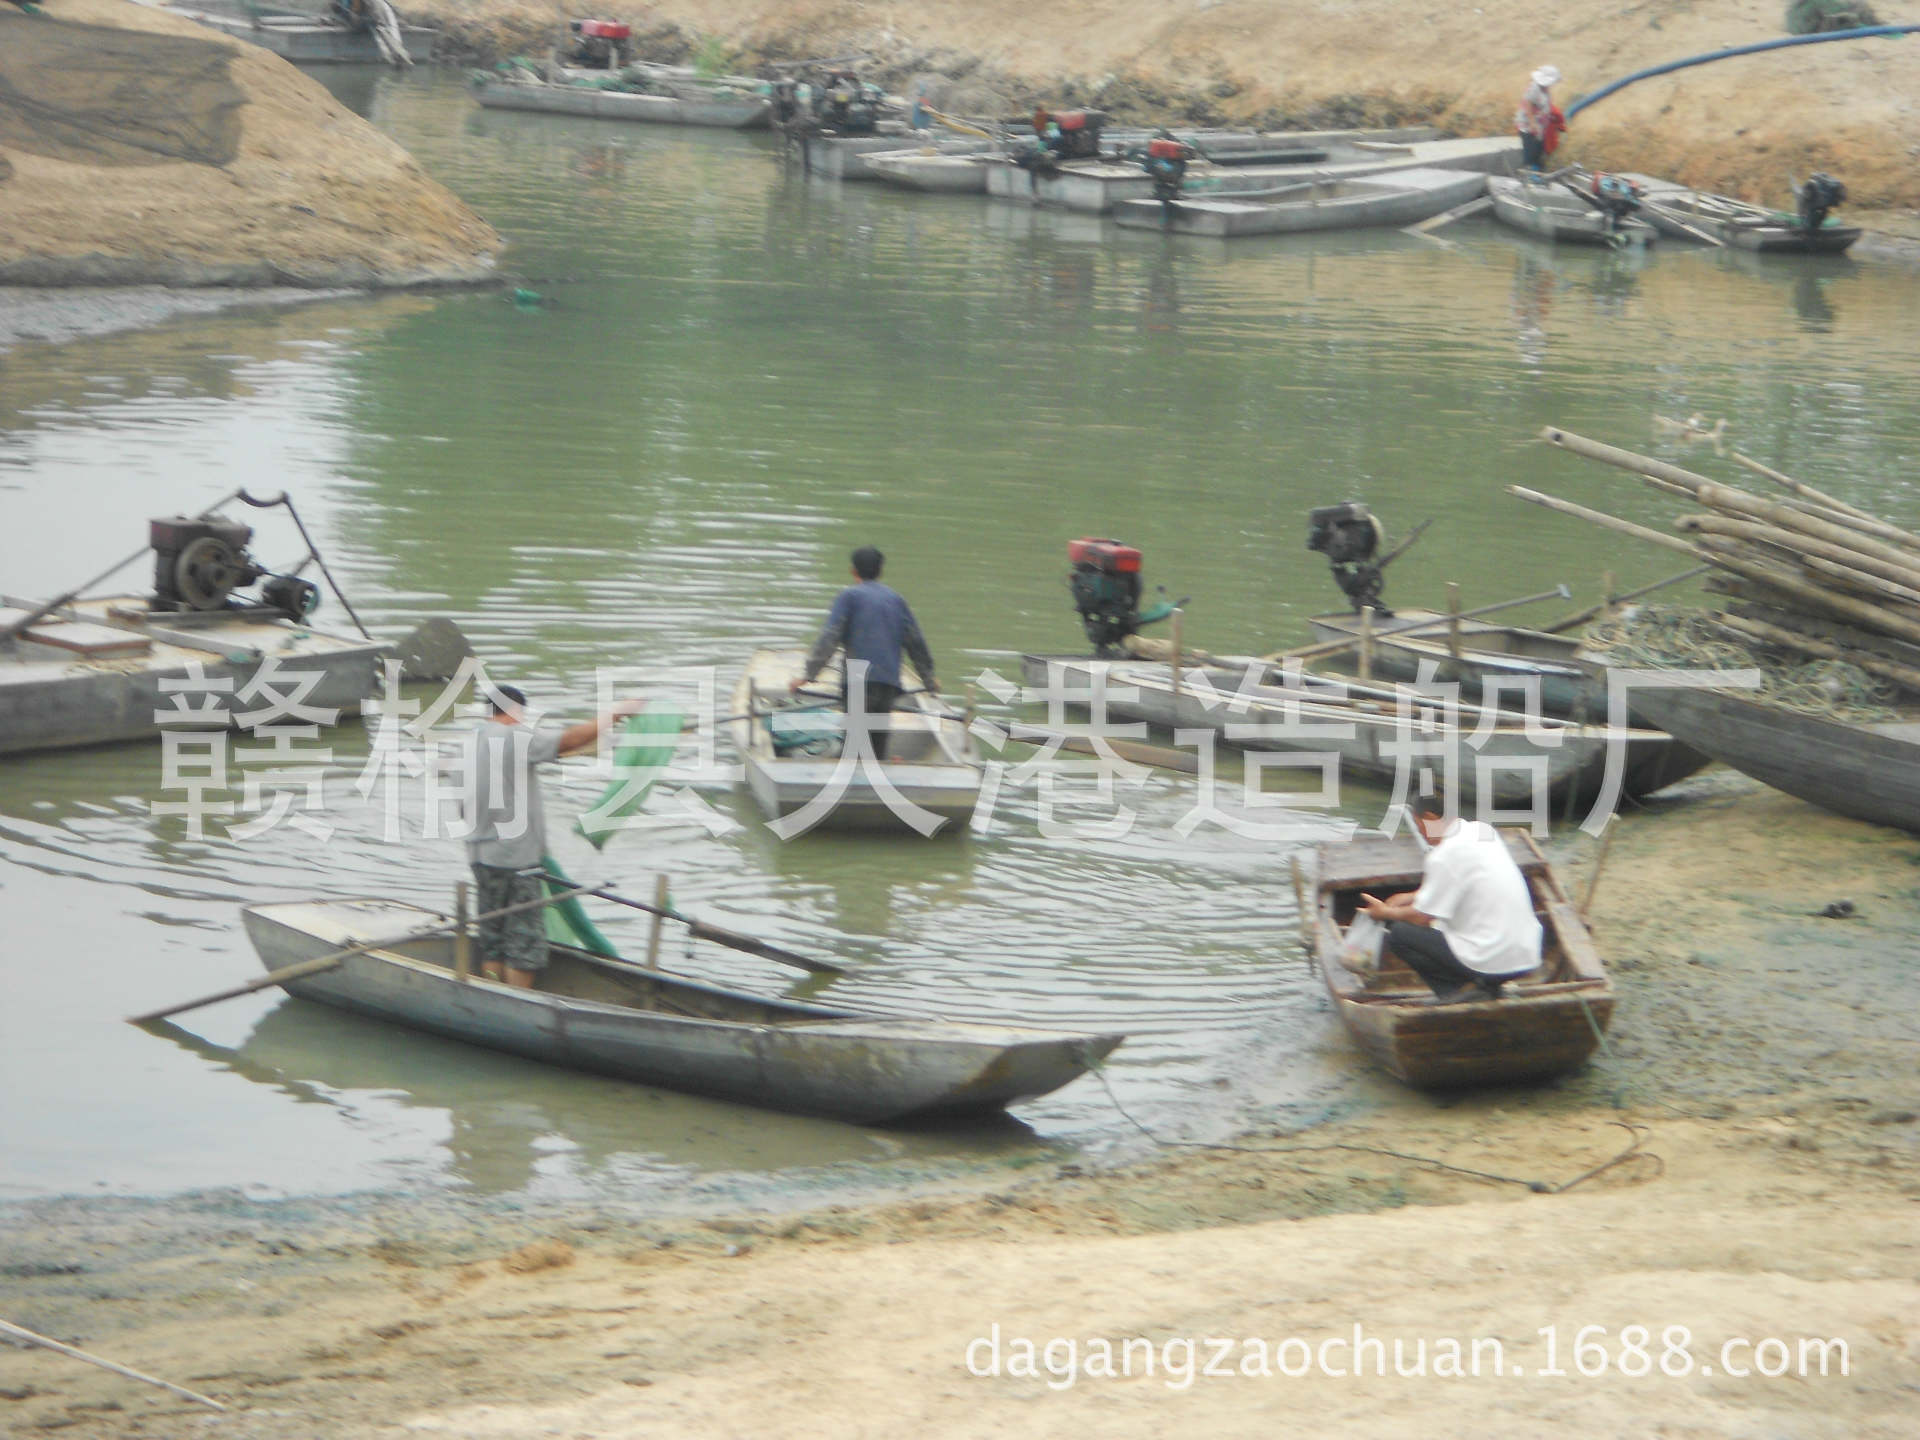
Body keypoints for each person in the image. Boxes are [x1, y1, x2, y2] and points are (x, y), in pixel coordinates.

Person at [462, 683, 639, 988]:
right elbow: (568, 739)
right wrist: (616, 712)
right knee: (524, 944)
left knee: (493, 938)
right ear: (515, 712)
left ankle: (492, 991)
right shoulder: (511, 736)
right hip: (515, 862)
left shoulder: (469, 743)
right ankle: (515, 1006)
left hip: (481, 859)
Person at [1355, 793, 1543, 1004]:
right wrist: (1409, 897)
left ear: (1429, 817)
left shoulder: (1443, 856)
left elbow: (1421, 918)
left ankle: (1459, 992)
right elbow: (1461, 881)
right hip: (1527, 955)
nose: (1422, 835)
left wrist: (1385, 913)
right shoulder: (1482, 831)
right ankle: (1484, 987)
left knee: (1400, 934)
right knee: (1437, 923)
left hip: (1492, 960)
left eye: (1419, 827)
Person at [790, 545, 936, 762]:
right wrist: (929, 679)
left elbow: (829, 638)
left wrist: (808, 674)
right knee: (876, 748)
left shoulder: (849, 597)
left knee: (854, 747)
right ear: (881, 572)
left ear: (853, 571)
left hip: (859, 684)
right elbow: (916, 642)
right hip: (889, 684)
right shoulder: (896, 600)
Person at [1515, 64, 1564, 174]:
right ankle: (1527, 176)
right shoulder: (1534, 88)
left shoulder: (1544, 89)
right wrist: (1532, 123)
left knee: (1538, 151)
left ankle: (1536, 173)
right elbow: (1528, 105)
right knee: (1531, 153)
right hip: (1529, 127)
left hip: (1539, 127)